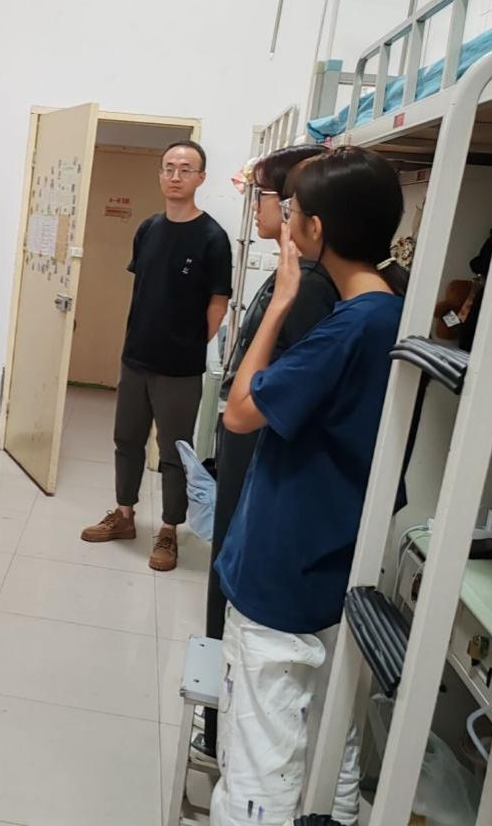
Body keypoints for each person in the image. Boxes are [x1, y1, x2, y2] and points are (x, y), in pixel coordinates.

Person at [210, 147, 408, 826]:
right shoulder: (390, 312)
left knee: (259, 763)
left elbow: (240, 413)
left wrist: (280, 303)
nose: (285, 219)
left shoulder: (348, 327)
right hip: (333, 558)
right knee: (331, 746)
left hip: (283, 568)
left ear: (315, 229)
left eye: (291, 209)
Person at [200, 145, 337, 756]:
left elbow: (274, 397)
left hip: (258, 454)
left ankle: (224, 735)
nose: (256, 207)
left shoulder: (306, 291)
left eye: (264, 196)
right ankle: (218, 725)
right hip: (244, 451)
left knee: (235, 591)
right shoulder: (290, 278)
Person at [80, 140, 232, 572]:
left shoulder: (213, 237)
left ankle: (169, 530)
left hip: (179, 368)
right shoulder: (148, 228)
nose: (175, 176)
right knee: (126, 440)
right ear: (160, 174)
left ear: (201, 178)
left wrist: (189, 344)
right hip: (135, 358)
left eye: (185, 169)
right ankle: (124, 515)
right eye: (168, 167)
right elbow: (146, 290)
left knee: (173, 452)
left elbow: (218, 302)